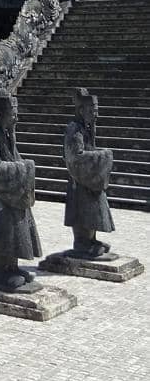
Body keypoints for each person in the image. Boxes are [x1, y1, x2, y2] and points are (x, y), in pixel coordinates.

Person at [0, 87, 41, 289]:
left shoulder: (6, 133)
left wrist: (23, 168)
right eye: (13, 114)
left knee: (16, 230)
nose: (16, 119)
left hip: (14, 192)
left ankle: (11, 266)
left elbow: (14, 158)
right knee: (1, 231)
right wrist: (24, 169)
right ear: (0, 114)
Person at [64, 87, 115, 258]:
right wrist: (103, 156)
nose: (96, 114)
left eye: (97, 111)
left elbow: (89, 150)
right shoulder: (74, 129)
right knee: (83, 211)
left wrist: (99, 157)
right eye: (93, 110)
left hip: (90, 179)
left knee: (93, 210)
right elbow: (75, 157)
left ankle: (91, 239)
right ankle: (82, 242)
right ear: (81, 110)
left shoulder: (87, 128)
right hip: (79, 180)